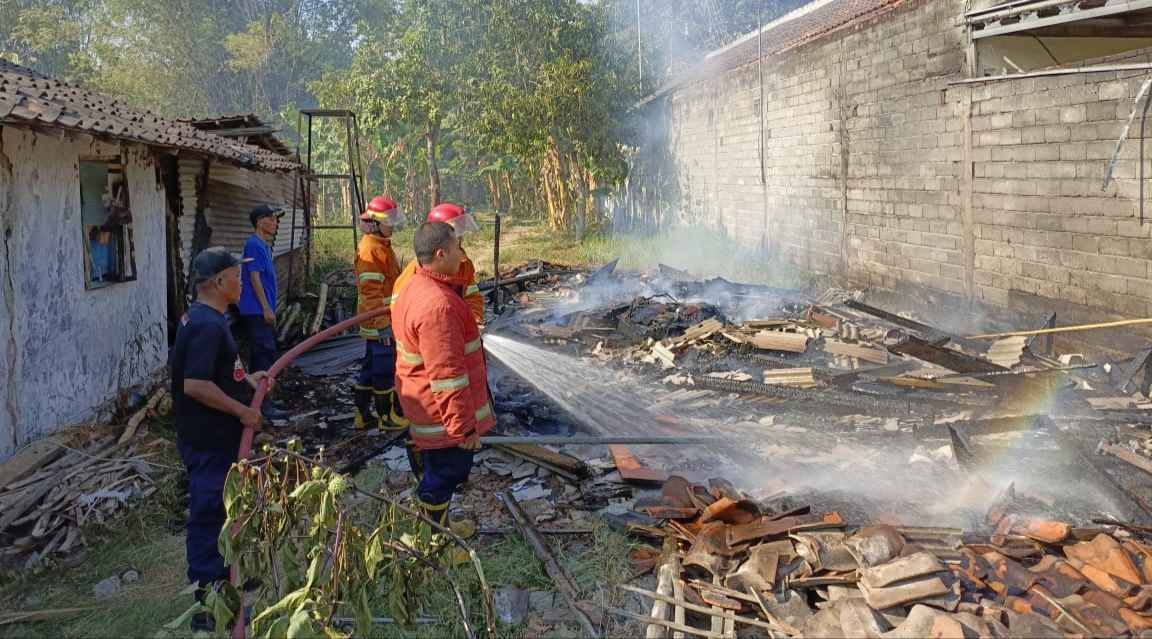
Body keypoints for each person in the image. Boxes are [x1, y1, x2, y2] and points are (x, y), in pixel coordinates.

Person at [170, 247, 266, 632]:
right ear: (220, 281)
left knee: (229, 510)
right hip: (209, 441)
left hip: (212, 438)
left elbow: (218, 372)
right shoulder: (208, 325)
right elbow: (195, 384)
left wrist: (248, 383)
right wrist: (243, 412)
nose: (242, 282)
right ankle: (208, 603)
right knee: (211, 515)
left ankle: (230, 581)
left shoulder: (205, 318)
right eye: (237, 276)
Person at [393, 222, 495, 531]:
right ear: (440, 253)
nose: (461, 256)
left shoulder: (414, 285)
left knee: (437, 472)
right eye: (456, 249)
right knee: (444, 476)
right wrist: (463, 430)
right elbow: (447, 377)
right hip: (443, 419)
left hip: (426, 405)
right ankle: (435, 540)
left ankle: (438, 524)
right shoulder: (439, 306)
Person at [353, 196, 408, 432]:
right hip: (379, 324)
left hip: (377, 321)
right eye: (389, 221)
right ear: (374, 223)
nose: (392, 225)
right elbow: (371, 293)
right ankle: (386, 418)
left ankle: (362, 417)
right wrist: (383, 324)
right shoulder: (370, 250)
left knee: (368, 368)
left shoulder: (379, 245)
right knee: (384, 370)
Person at [391, 203, 485, 326]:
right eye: (456, 233)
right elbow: (399, 311)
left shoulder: (464, 264)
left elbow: (472, 297)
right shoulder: (414, 273)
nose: (461, 238)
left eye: (461, 233)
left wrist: (472, 320)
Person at [237, 204, 287, 420]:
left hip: (262, 309)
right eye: (272, 219)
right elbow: (254, 277)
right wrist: (266, 307)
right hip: (256, 310)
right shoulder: (253, 245)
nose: (275, 223)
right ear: (260, 222)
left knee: (267, 354)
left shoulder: (264, 246)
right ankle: (262, 405)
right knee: (263, 357)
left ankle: (264, 398)